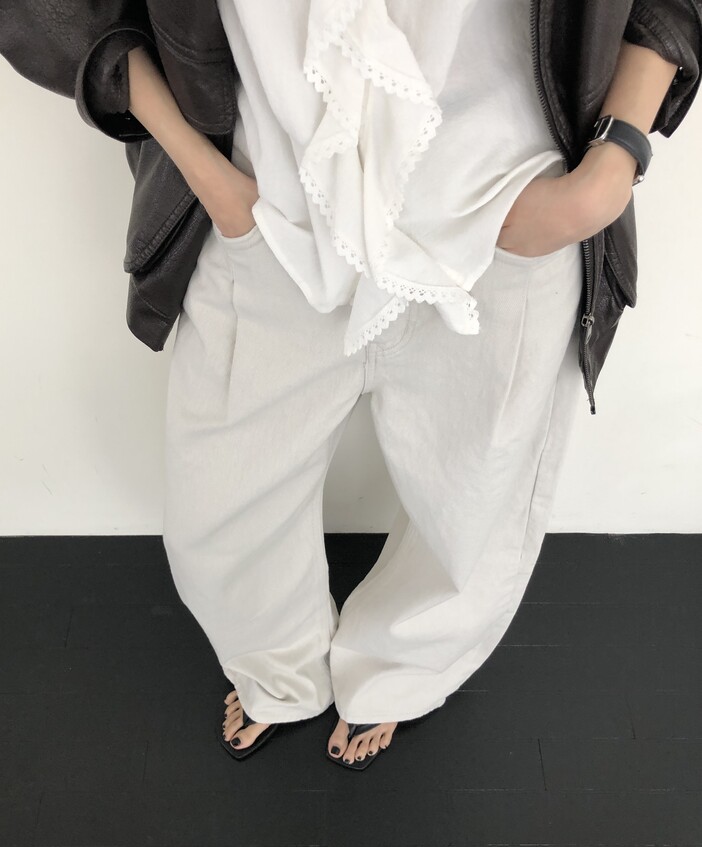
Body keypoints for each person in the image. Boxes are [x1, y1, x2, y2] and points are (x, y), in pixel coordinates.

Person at [123, 0, 681, 770]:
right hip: (274, 199)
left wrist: (607, 173)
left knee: (472, 500)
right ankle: (275, 668)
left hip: (505, 201)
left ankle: (402, 671)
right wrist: (205, 171)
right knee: (220, 507)